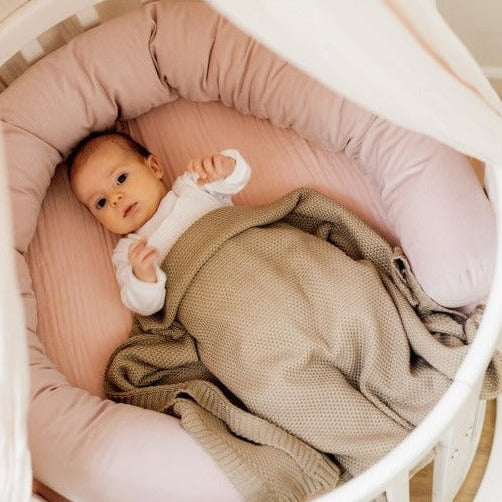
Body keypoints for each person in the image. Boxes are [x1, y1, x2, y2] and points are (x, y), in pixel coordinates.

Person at [68, 130, 251, 315]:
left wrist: (225, 166)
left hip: (246, 255)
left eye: (121, 179)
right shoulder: (129, 252)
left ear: (154, 168)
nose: (114, 199)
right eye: (101, 202)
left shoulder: (192, 185)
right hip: (216, 302)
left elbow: (236, 180)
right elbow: (145, 306)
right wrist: (143, 277)